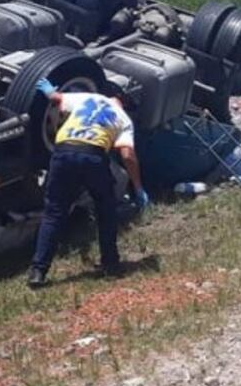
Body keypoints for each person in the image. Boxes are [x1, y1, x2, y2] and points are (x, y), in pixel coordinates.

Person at [27, 78, 150, 288]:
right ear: (122, 102)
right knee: (106, 210)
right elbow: (127, 154)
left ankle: (38, 271)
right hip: (93, 157)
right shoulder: (123, 118)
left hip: (62, 153)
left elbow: (56, 98)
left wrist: (47, 88)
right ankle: (110, 264)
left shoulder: (88, 98)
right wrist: (138, 187)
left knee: (54, 213)